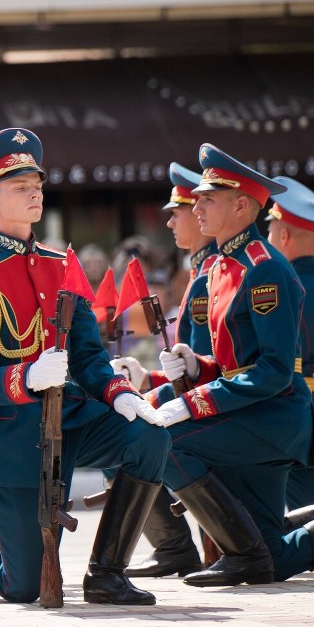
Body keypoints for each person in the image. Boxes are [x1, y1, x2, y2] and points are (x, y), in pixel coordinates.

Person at [0, 127, 170, 606]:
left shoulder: (63, 264)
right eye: (19, 186)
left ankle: (107, 572)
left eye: (36, 183)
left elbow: (88, 353)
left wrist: (120, 393)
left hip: (72, 418)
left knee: (150, 436)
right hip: (13, 432)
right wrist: (26, 377)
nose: (34, 192)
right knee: (24, 587)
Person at [148, 145, 314, 585]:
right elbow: (234, 361)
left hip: (270, 419)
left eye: (207, 199)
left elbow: (273, 370)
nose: (194, 205)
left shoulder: (264, 269)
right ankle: (251, 555)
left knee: (164, 443)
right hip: (252, 414)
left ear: (240, 206)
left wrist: (195, 402)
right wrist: (196, 366)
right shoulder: (224, 264)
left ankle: (239, 555)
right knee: (269, 553)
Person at [111, 163, 216, 578]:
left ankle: (173, 546)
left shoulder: (213, 274)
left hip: (221, 406)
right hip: (203, 397)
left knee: (122, 428)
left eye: (181, 210)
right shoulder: (200, 272)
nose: (170, 220)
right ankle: (173, 546)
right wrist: (147, 378)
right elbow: (195, 370)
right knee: (119, 415)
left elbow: (215, 369)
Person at [264, 178, 314, 512]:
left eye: (269, 230)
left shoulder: (276, 287)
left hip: (282, 411)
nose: (266, 239)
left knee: (280, 535)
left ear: (283, 236)